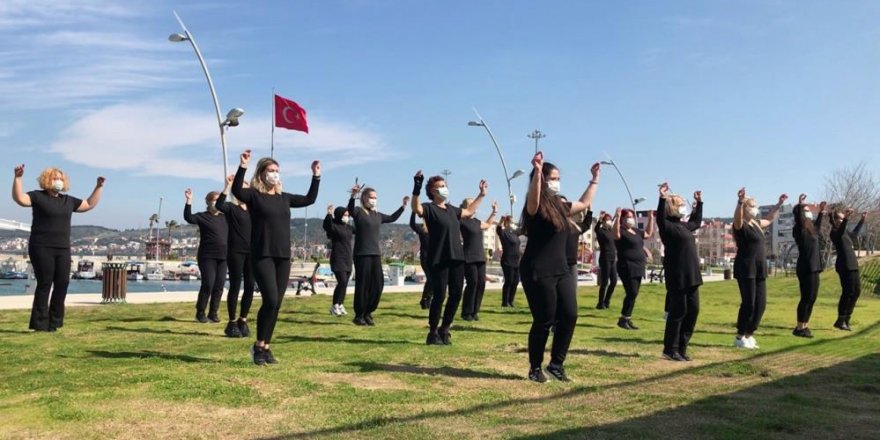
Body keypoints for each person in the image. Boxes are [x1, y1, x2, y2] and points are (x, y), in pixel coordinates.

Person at [232, 149, 320, 366]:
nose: (275, 175)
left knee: (276, 304)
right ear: (262, 174)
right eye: (271, 171)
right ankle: (256, 346)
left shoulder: (284, 198)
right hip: (262, 255)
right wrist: (243, 166)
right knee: (270, 299)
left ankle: (265, 347)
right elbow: (236, 190)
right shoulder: (253, 195)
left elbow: (309, 199)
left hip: (282, 257)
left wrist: (316, 176)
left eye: (277, 171)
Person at [520, 152, 600, 383]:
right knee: (544, 319)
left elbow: (584, 203)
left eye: (557, 178)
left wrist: (594, 179)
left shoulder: (561, 206)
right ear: (543, 180)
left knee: (569, 315)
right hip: (538, 269)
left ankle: (556, 364)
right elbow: (534, 199)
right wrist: (537, 171)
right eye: (552, 178)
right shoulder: (534, 206)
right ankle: (535, 368)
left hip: (561, 268)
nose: (557, 182)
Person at [11, 164, 105, 332]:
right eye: (56, 178)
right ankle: (40, 324)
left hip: (62, 248)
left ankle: (54, 323)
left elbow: (89, 204)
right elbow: (20, 199)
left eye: (61, 178)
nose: (59, 181)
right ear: (47, 180)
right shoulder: (37, 197)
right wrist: (18, 178)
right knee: (45, 283)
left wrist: (98, 187)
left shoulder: (68, 200)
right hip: (41, 247)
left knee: (62, 283)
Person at [411, 170, 487, 346]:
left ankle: (445, 329)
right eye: (441, 186)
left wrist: (481, 194)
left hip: (457, 258)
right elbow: (416, 208)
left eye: (445, 185)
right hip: (439, 259)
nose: (445, 188)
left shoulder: (452, 210)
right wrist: (416, 187)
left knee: (456, 294)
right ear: (433, 191)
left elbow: (468, 211)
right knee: (440, 296)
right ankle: (432, 332)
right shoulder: (429, 208)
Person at [731, 189, 787, 349]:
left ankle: (749, 334)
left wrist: (778, 205)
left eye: (755, 206)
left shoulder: (756, 224)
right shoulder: (739, 224)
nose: (755, 209)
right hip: (746, 267)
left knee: (760, 304)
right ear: (745, 209)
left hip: (760, 268)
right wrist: (740, 202)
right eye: (752, 206)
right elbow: (737, 218)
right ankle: (739, 336)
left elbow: (769, 220)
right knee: (749, 303)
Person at [347, 185, 407, 326]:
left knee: (378, 284)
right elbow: (349, 210)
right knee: (363, 285)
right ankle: (359, 315)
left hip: (375, 254)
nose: (374, 200)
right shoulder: (358, 212)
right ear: (364, 198)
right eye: (372, 197)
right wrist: (352, 197)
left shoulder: (377, 215)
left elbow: (392, 217)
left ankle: (368, 311)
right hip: (362, 254)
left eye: (376, 197)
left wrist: (403, 207)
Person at [657, 182, 703, 362]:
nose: (683, 207)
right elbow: (660, 217)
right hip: (677, 276)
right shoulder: (667, 226)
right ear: (672, 208)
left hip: (692, 276)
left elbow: (696, 222)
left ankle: (682, 348)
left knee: (693, 311)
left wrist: (699, 204)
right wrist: (662, 198)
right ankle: (670, 349)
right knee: (678, 312)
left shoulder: (684, 226)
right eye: (680, 204)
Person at [215, 174, 254, 337]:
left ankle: (242, 320)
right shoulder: (231, 207)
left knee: (250, 287)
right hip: (235, 251)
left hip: (253, 252)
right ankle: (231, 323)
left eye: (247, 184)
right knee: (236, 286)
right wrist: (227, 187)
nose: (245, 185)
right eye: (243, 184)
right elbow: (219, 205)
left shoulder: (254, 208)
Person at [184, 188, 229, 324]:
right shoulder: (202, 216)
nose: (217, 202)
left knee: (219, 285)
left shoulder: (225, 217)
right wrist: (189, 201)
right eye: (214, 200)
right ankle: (200, 312)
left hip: (224, 256)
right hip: (207, 256)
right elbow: (188, 218)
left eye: (219, 200)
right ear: (208, 202)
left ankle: (213, 313)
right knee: (208, 284)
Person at [613, 208, 655, 330]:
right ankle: (623, 318)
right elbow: (615, 235)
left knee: (634, 293)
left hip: (638, 266)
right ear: (622, 219)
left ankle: (627, 318)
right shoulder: (620, 230)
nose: (630, 219)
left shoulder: (635, 231)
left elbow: (647, 234)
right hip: (627, 266)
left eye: (631, 216)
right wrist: (617, 217)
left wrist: (651, 218)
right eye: (627, 217)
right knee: (631, 292)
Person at [792, 194, 824, 338]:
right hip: (806, 267)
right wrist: (800, 203)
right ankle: (799, 327)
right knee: (806, 297)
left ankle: (805, 325)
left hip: (815, 266)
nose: (809, 210)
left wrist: (822, 211)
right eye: (806, 209)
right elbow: (799, 220)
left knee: (812, 297)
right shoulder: (799, 229)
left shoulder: (812, 229)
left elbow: (818, 225)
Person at [460, 199, 498, 321]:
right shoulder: (462, 221)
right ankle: (466, 312)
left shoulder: (476, 222)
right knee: (473, 283)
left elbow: (487, 225)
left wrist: (494, 212)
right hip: (468, 256)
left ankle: (475, 311)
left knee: (481, 284)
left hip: (480, 256)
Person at [829, 207, 866, 331]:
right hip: (844, 265)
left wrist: (862, 220)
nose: (841, 220)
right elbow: (840, 232)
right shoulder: (834, 232)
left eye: (841, 218)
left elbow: (854, 234)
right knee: (848, 292)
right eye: (838, 218)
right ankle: (840, 320)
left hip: (853, 263)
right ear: (834, 220)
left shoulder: (845, 231)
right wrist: (846, 218)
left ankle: (847, 319)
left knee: (856, 292)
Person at [323, 204, 353, 316]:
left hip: (348, 258)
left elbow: (360, 228)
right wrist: (329, 214)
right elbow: (327, 225)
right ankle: (334, 305)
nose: (347, 217)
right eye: (345, 215)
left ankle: (340, 304)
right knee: (342, 281)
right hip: (338, 258)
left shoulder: (349, 228)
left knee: (345, 284)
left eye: (348, 215)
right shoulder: (334, 227)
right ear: (340, 215)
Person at [594, 211, 617, 309]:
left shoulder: (611, 231)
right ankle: (600, 303)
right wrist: (599, 219)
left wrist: (616, 215)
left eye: (609, 220)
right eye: (607, 220)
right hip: (605, 258)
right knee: (604, 282)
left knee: (614, 281)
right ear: (603, 222)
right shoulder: (601, 231)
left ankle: (607, 301)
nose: (609, 222)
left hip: (613, 258)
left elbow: (614, 222)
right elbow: (596, 228)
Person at [497, 215, 522, 307]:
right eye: (511, 222)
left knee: (515, 282)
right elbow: (498, 229)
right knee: (509, 281)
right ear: (507, 223)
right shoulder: (504, 233)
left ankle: (511, 301)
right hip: (507, 261)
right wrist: (501, 220)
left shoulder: (515, 234)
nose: (513, 224)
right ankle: (505, 302)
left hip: (517, 262)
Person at [410, 210, 433, 309]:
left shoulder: (437, 229)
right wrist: (414, 212)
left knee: (433, 280)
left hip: (435, 258)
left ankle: (426, 299)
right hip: (425, 258)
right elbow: (412, 224)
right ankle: (425, 299)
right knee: (431, 279)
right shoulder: (421, 229)